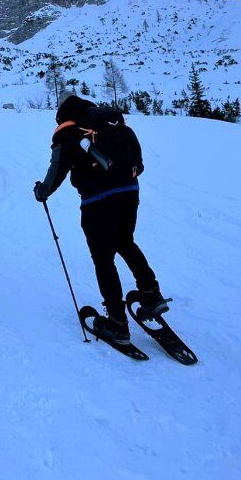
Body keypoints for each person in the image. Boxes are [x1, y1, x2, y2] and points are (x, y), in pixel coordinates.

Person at [32, 94, 169, 344]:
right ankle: (151, 293)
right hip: (129, 191)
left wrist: (43, 191)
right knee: (125, 242)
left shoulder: (70, 131)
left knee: (103, 258)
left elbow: (58, 167)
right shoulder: (111, 123)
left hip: (97, 200)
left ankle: (117, 323)